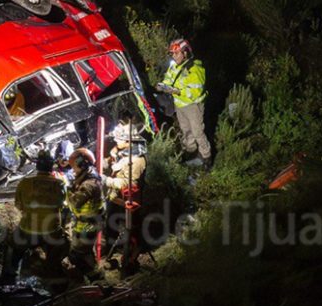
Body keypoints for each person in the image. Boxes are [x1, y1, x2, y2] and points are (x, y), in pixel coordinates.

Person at [2, 150, 65, 279]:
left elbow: (18, 205)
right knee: (56, 255)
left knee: (13, 247)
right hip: (52, 229)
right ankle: (55, 279)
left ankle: (10, 277)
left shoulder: (25, 183)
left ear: (37, 166)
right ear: (51, 166)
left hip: (28, 229)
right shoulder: (60, 184)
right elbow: (62, 205)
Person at [156, 38, 211, 167]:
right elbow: (168, 79)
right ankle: (190, 151)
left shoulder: (195, 68)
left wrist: (176, 91)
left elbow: (195, 92)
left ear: (185, 53)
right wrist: (162, 86)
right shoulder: (174, 66)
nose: (174, 56)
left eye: (176, 53)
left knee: (197, 132)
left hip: (193, 106)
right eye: (172, 54)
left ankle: (206, 157)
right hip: (180, 105)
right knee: (186, 130)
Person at [102, 119, 146, 271]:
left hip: (127, 201)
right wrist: (110, 159)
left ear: (129, 141)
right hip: (116, 198)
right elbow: (116, 165)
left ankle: (129, 259)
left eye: (119, 139)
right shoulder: (125, 152)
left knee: (130, 230)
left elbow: (127, 183)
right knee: (111, 225)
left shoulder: (137, 160)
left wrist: (106, 180)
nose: (116, 141)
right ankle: (113, 251)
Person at [62, 147, 104, 280]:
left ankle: (96, 279)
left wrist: (66, 189)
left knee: (77, 255)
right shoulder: (89, 177)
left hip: (88, 225)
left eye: (74, 167)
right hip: (87, 223)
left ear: (82, 164)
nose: (73, 170)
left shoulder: (89, 184)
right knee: (86, 253)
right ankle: (96, 277)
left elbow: (74, 203)